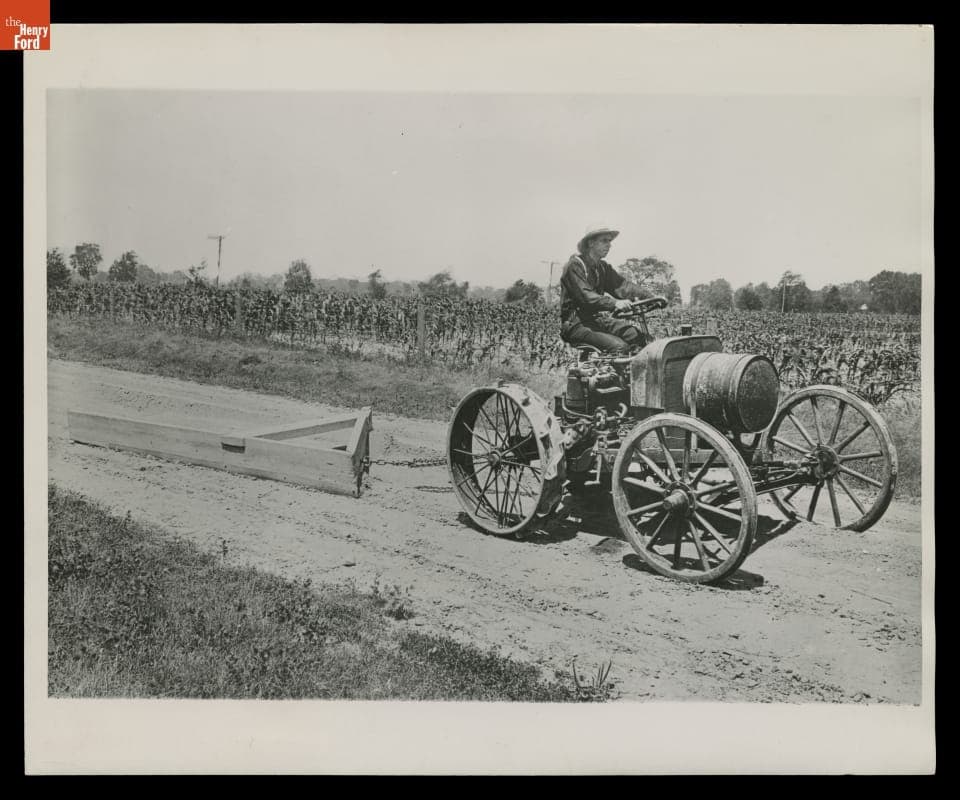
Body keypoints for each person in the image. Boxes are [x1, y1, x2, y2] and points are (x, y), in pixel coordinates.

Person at [559, 226, 652, 353]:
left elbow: (623, 286)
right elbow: (586, 296)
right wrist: (615, 303)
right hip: (575, 324)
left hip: (596, 320)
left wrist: (651, 297)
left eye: (609, 241)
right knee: (620, 347)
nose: (609, 245)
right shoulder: (574, 266)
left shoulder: (602, 268)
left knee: (637, 336)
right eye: (604, 241)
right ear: (591, 243)